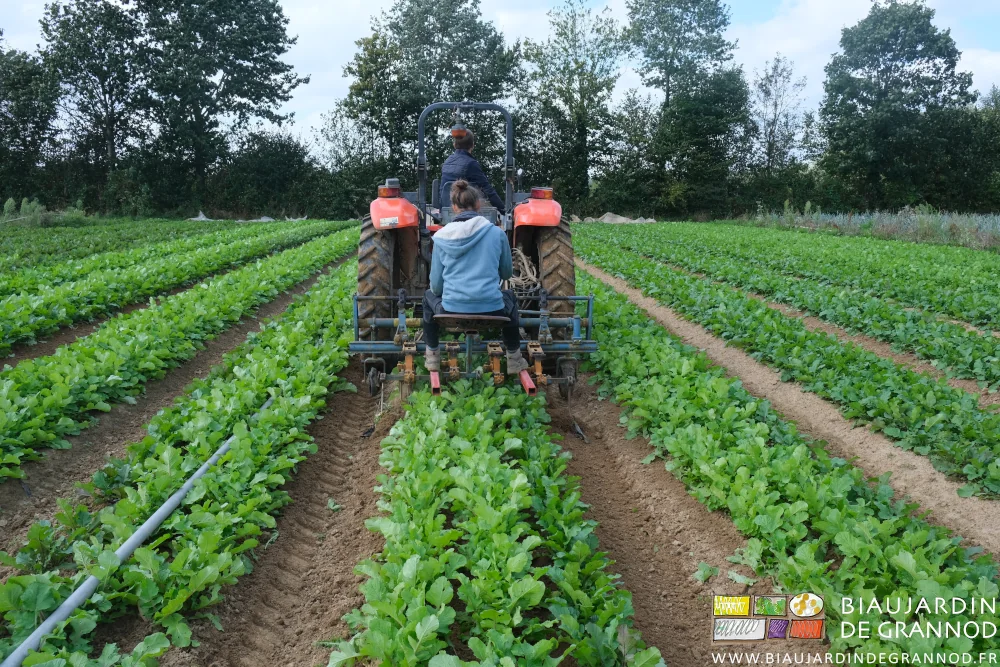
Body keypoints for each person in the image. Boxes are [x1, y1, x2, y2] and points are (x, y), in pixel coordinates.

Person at [423, 180, 529, 375]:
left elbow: (436, 288)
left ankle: (432, 356)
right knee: (510, 298)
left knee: (427, 296)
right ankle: (514, 359)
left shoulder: (440, 238)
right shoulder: (497, 234)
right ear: (479, 204)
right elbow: (506, 274)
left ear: (454, 207)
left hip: (450, 309)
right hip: (493, 309)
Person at [440, 127, 505, 211]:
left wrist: (441, 211)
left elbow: (441, 191)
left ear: (454, 144)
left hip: (446, 211)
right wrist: (503, 210)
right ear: (472, 145)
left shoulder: (447, 162)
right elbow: (487, 190)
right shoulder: (471, 164)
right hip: (466, 209)